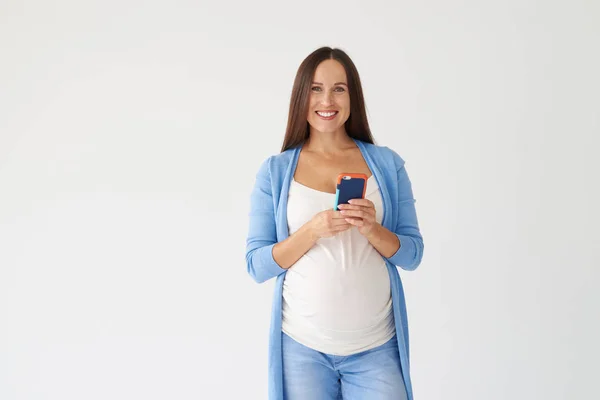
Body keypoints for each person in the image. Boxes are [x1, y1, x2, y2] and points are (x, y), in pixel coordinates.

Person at [245, 46, 424, 400]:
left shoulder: (387, 166)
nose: (327, 99)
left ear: (352, 96)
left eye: (339, 88)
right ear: (301, 96)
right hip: (302, 349)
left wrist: (373, 229)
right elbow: (257, 265)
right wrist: (312, 231)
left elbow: (412, 255)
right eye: (315, 88)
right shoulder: (275, 172)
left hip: (376, 348)